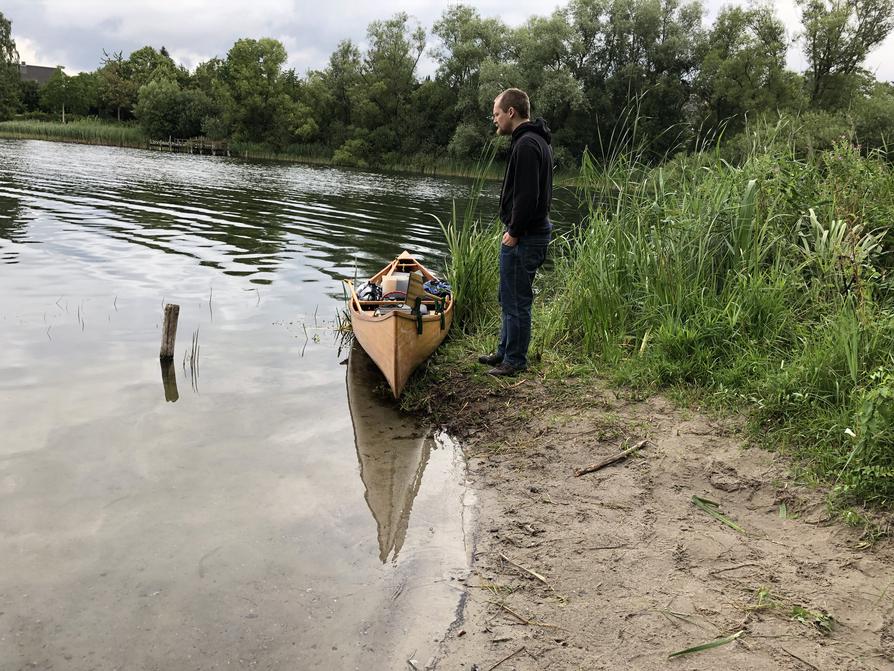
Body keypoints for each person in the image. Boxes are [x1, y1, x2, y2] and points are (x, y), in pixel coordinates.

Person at [479, 88, 553, 376]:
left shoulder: (526, 145)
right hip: (531, 232)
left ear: (511, 112)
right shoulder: (535, 141)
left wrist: (514, 230)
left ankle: (515, 361)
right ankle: (504, 351)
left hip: (526, 235)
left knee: (517, 299)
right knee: (508, 295)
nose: (494, 120)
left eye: (496, 114)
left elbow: (528, 196)